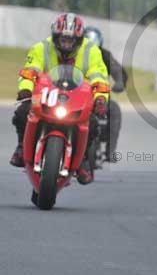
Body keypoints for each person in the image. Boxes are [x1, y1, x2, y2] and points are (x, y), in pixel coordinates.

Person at [10, 13, 109, 184]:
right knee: (22, 112)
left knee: (92, 123)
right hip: (43, 96)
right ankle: (21, 147)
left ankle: (83, 160)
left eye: (70, 41)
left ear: (78, 40)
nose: (66, 44)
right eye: (63, 39)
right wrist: (25, 90)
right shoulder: (41, 47)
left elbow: (99, 77)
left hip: (77, 99)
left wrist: (100, 99)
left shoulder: (91, 50)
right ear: (55, 37)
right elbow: (29, 71)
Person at [83, 26, 127, 161]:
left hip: (99, 97)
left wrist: (119, 82)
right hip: (75, 96)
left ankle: (110, 150)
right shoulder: (74, 53)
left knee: (114, 110)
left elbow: (117, 70)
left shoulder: (105, 55)